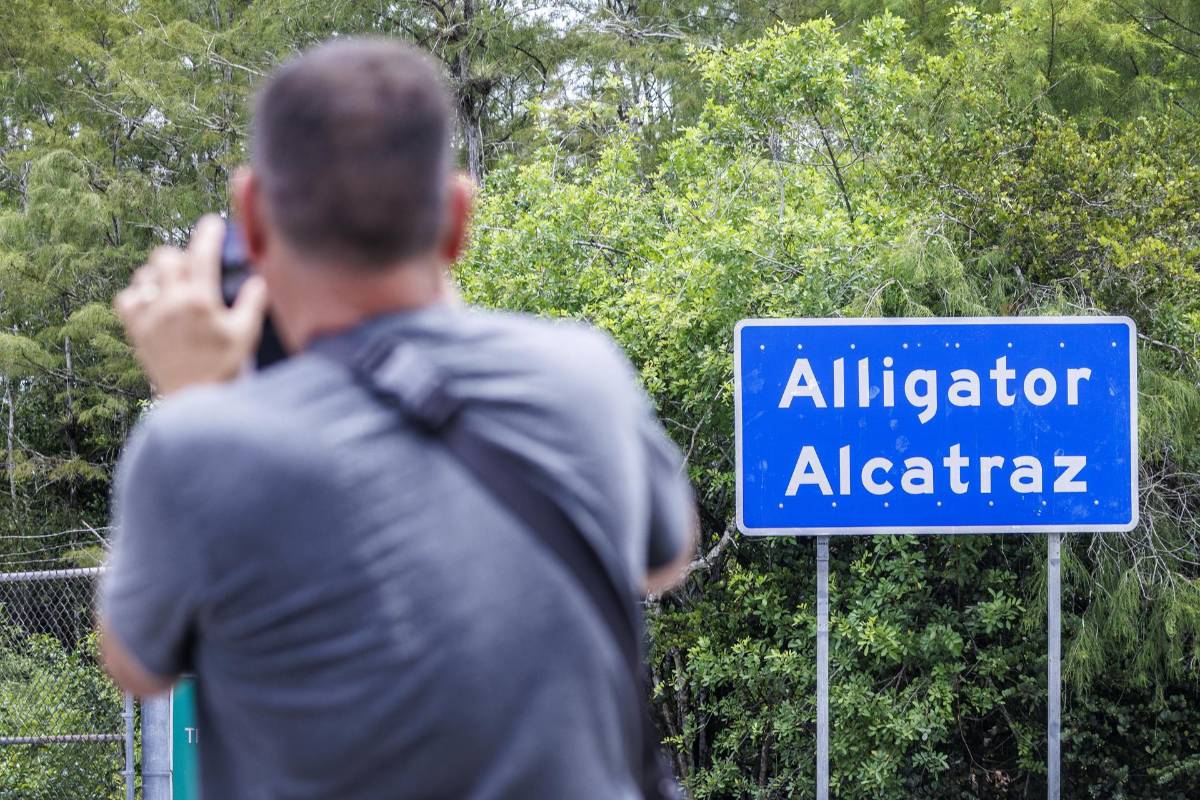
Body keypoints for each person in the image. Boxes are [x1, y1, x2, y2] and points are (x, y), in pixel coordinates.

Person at [98, 38, 696, 799]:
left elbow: (136, 662)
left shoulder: (198, 445)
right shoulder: (588, 377)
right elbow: (664, 560)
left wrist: (195, 396)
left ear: (253, 214)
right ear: (458, 217)